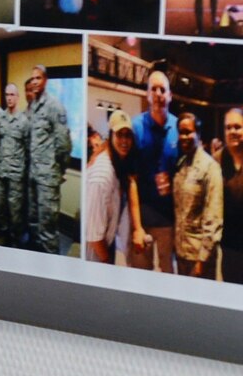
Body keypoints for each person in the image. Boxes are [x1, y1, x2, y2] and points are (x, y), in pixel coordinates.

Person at [128, 66, 180, 273]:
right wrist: (137, 226)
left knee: (168, 275)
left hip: (169, 221)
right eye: (154, 89)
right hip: (144, 220)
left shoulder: (179, 128)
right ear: (147, 95)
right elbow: (131, 178)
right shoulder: (136, 127)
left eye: (162, 90)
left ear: (170, 95)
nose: (158, 94)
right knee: (141, 277)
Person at [25, 63, 72, 253]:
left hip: (47, 177)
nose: (35, 82)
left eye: (38, 78)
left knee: (48, 230)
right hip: (33, 175)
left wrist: (58, 170)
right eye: (32, 78)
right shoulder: (33, 106)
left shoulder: (54, 106)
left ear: (45, 80)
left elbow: (64, 144)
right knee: (34, 223)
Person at [174, 111, 224, 277]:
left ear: (198, 133)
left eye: (188, 132)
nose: (184, 137)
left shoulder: (210, 168)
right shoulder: (181, 164)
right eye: (181, 132)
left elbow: (213, 217)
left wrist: (202, 260)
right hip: (182, 253)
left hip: (200, 257)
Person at [84, 112, 139, 262]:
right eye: (120, 134)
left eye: (128, 135)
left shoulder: (118, 163)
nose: (124, 141)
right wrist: (107, 262)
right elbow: (94, 238)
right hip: (94, 254)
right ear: (111, 135)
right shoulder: (102, 176)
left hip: (107, 241)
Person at [0, 82, 29, 246]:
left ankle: (15, 238)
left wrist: (23, 170)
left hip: (16, 173)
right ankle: (3, 233)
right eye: (7, 95)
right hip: (1, 170)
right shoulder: (0, 118)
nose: (9, 98)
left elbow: (28, 148)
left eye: (12, 95)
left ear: (18, 97)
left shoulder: (24, 121)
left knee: (15, 209)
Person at [219, 107, 243, 282]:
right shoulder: (215, 161)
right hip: (229, 247)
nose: (232, 131)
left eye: (237, 127)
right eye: (228, 127)